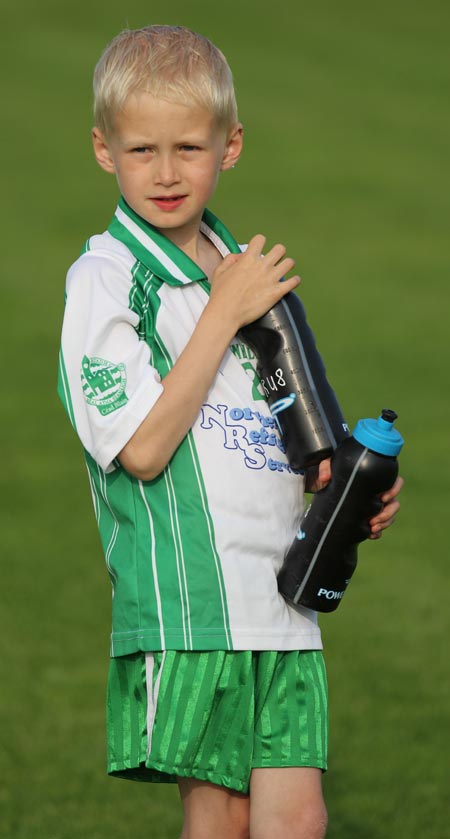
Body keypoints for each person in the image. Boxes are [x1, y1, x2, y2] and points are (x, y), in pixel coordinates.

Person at [58, 25, 403, 839]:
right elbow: (141, 447)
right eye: (142, 149)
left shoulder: (244, 270)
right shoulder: (106, 280)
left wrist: (348, 492)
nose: (168, 172)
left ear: (231, 145)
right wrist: (223, 310)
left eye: (190, 146)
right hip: (192, 608)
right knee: (222, 823)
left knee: (297, 820)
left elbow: (293, 430)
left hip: (284, 598)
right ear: (104, 149)